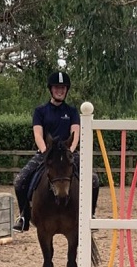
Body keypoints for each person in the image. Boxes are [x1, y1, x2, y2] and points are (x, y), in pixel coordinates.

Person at [13, 71, 100, 232]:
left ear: (66, 90)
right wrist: (47, 152)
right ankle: (24, 216)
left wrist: (69, 152)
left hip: (68, 153)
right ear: (51, 89)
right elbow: (38, 134)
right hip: (46, 153)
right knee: (20, 181)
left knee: (94, 180)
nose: (60, 90)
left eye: (63, 88)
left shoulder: (72, 111)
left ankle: (91, 214)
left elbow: (75, 134)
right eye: (56, 87)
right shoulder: (40, 111)